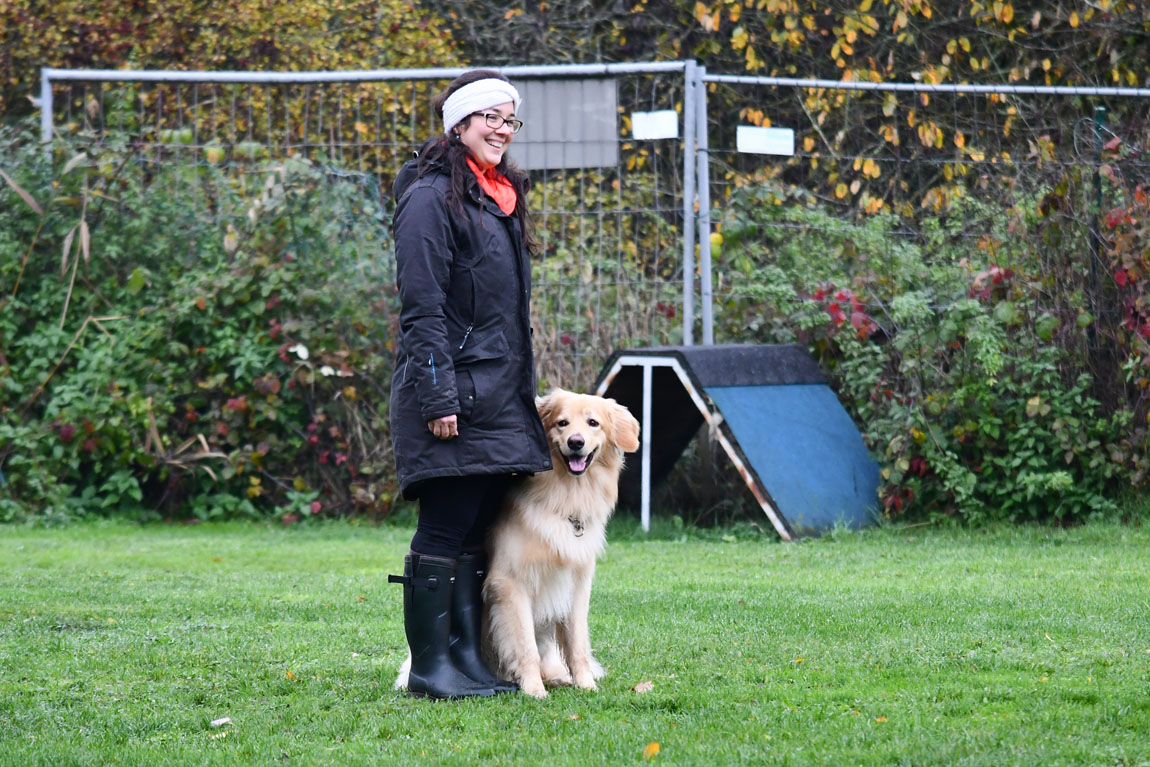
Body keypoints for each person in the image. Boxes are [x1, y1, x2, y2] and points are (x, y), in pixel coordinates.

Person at [386, 70, 552, 699]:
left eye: (511, 120)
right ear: (459, 124)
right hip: (452, 393)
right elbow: (422, 308)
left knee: (479, 525)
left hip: (498, 393)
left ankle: (469, 663)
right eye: (492, 117)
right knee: (445, 524)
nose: (503, 129)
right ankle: (432, 669)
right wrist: (438, 396)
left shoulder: (499, 196)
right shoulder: (431, 196)